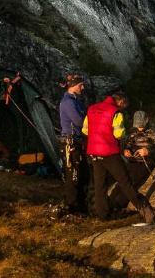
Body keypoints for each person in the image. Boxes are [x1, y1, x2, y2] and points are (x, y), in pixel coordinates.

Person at [82, 91, 153, 220]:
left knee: (100, 185)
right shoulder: (115, 112)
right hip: (109, 152)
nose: (122, 108)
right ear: (121, 101)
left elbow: (85, 130)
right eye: (124, 105)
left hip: (94, 152)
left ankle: (103, 214)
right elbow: (118, 134)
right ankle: (142, 208)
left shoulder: (91, 109)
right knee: (125, 181)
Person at [109, 110, 155, 209]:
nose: (139, 128)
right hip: (132, 162)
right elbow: (124, 145)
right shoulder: (132, 132)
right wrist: (125, 151)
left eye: (141, 125)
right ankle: (109, 202)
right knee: (122, 180)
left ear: (147, 121)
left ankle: (118, 205)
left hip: (147, 162)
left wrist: (148, 152)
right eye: (138, 126)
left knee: (132, 183)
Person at [58, 73, 89, 215]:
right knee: (73, 174)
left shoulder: (76, 100)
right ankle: (72, 207)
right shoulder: (68, 102)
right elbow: (79, 121)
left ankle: (80, 205)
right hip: (70, 142)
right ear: (73, 86)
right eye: (80, 85)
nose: (82, 87)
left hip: (77, 141)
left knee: (81, 174)